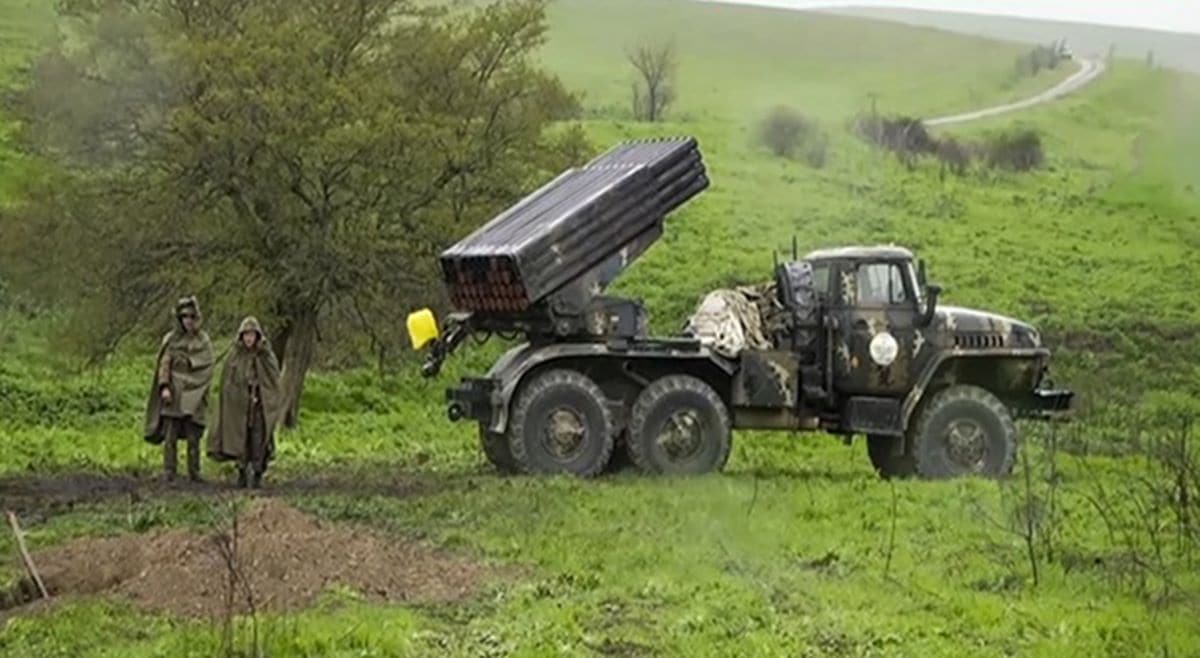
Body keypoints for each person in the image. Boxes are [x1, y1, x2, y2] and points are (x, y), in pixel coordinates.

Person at [143, 296, 215, 483]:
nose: (188, 321)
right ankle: (169, 470)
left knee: (194, 436)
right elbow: (164, 365)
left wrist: (199, 389)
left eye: (191, 317)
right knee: (170, 435)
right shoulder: (171, 340)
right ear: (179, 319)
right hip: (174, 392)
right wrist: (164, 386)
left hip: (195, 394)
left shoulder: (203, 341)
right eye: (184, 317)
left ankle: (194, 471)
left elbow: (207, 366)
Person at [208, 316, 283, 488]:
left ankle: (257, 474)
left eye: (252, 335)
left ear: (257, 336)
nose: (249, 338)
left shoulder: (266, 355)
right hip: (239, 408)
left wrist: (264, 396)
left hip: (258, 407)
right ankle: (241, 472)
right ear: (241, 336)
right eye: (246, 335)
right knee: (240, 440)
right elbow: (227, 382)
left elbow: (273, 380)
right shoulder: (234, 356)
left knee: (258, 440)